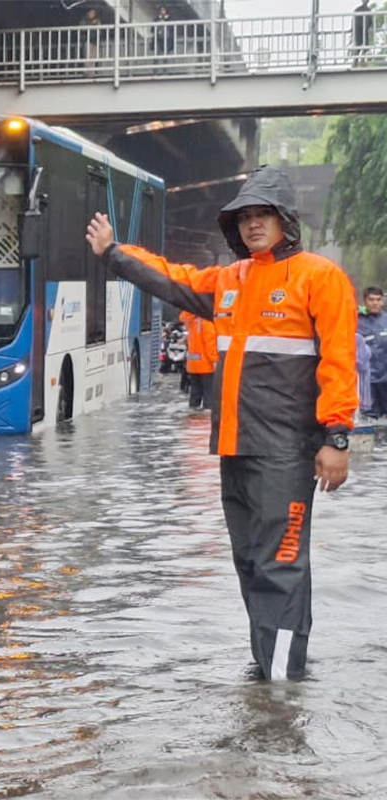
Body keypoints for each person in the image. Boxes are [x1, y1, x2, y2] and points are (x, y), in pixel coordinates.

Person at [85, 165, 358, 681]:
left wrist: (337, 437)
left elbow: (339, 362)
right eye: (245, 217)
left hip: (286, 450)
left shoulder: (319, 277)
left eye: (264, 216)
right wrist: (114, 254)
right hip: (234, 446)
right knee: (251, 562)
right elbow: (172, 279)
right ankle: (270, 675)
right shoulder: (228, 282)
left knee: (280, 564)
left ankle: (281, 688)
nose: (254, 225)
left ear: (286, 222)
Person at [356, 285, 387, 416]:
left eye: (378, 299)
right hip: (368, 382)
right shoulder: (356, 321)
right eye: (371, 300)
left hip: (386, 379)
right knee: (370, 417)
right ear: (364, 301)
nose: (375, 303)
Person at [181, 309, 219, 409]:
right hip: (206, 366)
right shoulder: (207, 323)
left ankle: (193, 419)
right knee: (209, 397)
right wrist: (214, 361)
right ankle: (205, 422)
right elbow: (210, 344)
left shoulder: (191, 321)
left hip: (193, 366)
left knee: (195, 395)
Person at [81, 6, 103, 78]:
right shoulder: (84, 20)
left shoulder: (97, 20)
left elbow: (100, 32)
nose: (92, 14)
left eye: (93, 13)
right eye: (91, 12)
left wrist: (97, 24)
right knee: (88, 57)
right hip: (87, 41)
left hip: (95, 42)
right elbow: (83, 30)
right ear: (87, 13)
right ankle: (87, 74)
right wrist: (92, 24)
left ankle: (92, 74)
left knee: (93, 58)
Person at [352, 0, 374, 67]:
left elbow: (370, 21)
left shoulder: (368, 10)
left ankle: (362, 61)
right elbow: (354, 21)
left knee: (365, 46)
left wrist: (369, 27)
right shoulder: (358, 10)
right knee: (358, 47)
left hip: (365, 30)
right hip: (358, 30)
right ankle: (355, 62)